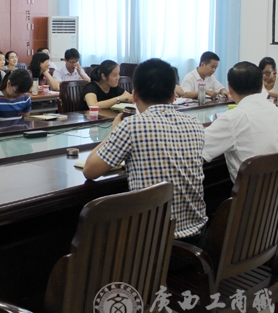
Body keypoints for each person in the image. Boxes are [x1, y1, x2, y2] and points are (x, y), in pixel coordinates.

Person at [83, 59, 207, 245]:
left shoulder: (131, 126)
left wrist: (113, 132)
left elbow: (90, 171)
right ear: (173, 96)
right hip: (197, 240)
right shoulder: (195, 125)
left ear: (134, 95)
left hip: (151, 248)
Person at [202, 61, 278, 182]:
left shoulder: (233, 118)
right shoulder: (275, 110)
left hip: (253, 192)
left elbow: (196, 146)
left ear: (230, 88)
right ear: (261, 86)